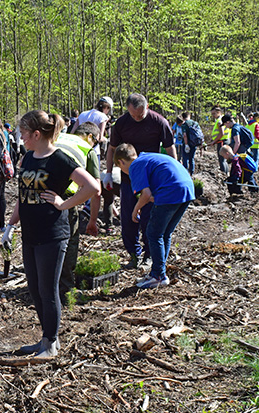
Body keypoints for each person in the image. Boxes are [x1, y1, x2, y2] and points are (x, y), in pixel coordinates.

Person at [1, 110, 99, 358]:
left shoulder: (59, 159)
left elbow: (92, 186)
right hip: (30, 234)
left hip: (53, 234)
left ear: (36, 134)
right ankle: (45, 338)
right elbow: (23, 195)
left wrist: (63, 204)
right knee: (34, 288)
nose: (21, 137)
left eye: (24, 133)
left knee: (48, 289)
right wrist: (10, 225)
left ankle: (51, 343)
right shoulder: (28, 158)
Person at [105, 93, 176, 269]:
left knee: (149, 217)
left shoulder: (159, 122)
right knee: (128, 217)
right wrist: (108, 173)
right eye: (133, 115)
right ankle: (133, 253)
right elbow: (112, 148)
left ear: (147, 107)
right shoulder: (121, 123)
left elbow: (170, 148)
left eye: (140, 115)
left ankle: (149, 255)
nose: (137, 118)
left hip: (153, 178)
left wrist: (173, 172)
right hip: (128, 178)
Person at [114, 144, 194, 289]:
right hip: (187, 189)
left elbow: (146, 194)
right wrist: (147, 200)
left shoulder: (135, 165)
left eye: (120, 168)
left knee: (153, 233)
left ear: (121, 162)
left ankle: (158, 275)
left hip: (172, 190)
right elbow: (151, 194)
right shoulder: (148, 157)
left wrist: (135, 209)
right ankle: (159, 271)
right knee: (165, 233)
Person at [55, 122, 102, 300]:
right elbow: (96, 191)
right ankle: (65, 289)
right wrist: (92, 221)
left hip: (36, 195)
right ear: (90, 137)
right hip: (64, 199)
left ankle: (40, 285)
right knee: (69, 240)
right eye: (96, 142)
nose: (94, 146)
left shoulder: (56, 137)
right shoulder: (87, 149)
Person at [181, 111, 203, 175]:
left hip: (187, 144)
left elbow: (184, 135)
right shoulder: (195, 123)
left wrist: (186, 144)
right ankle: (192, 173)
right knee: (191, 159)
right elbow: (200, 134)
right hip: (194, 143)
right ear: (189, 116)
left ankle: (185, 173)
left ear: (183, 117)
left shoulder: (184, 124)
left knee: (185, 159)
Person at [210, 106, 231, 175]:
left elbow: (221, 133)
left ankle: (224, 175)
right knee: (224, 160)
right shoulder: (222, 120)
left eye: (214, 113)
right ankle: (226, 174)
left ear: (218, 112)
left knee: (222, 159)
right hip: (225, 140)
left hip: (222, 142)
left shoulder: (219, 121)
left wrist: (214, 141)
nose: (213, 115)